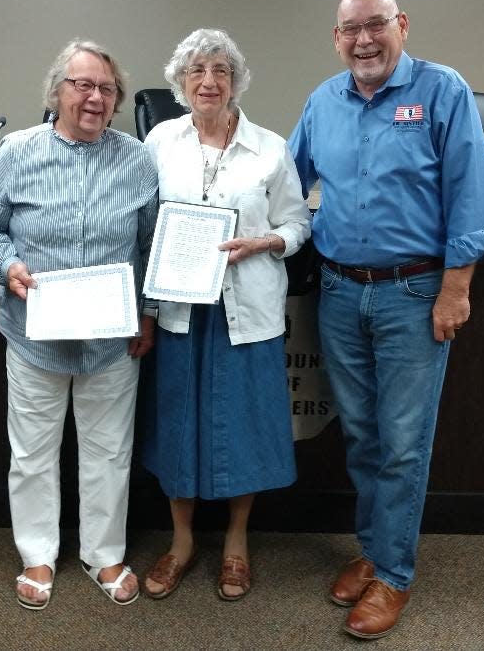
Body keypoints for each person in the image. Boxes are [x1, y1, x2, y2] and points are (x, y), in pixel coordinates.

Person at [288, 0, 484, 639]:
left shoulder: (442, 91)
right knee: (362, 435)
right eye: (351, 29)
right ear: (336, 37)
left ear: (401, 24)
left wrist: (456, 288)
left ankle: (395, 575)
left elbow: (471, 194)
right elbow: (285, 184)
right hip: (341, 292)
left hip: (415, 294)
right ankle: (375, 551)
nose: (364, 40)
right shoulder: (324, 101)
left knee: (403, 443)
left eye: (376, 24)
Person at [0, 40, 158, 610]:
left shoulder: (138, 159)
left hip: (110, 339)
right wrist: (8, 267)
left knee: (108, 450)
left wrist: (148, 314)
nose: (94, 97)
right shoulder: (16, 152)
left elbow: (150, 244)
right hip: (33, 336)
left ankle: (103, 553)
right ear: (57, 92)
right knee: (32, 451)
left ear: (117, 99)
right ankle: (38, 553)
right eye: (81, 84)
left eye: (105, 88)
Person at [140, 29, 311, 601]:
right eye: (197, 71)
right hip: (183, 309)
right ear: (180, 82)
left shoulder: (270, 147)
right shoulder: (160, 142)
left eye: (220, 70)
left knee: (245, 425)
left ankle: (236, 542)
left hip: (247, 308)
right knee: (178, 423)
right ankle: (182, 541)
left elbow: (297, 224)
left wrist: (261, 243)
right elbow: (143, 223)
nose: (209, 81)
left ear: (236, 81)